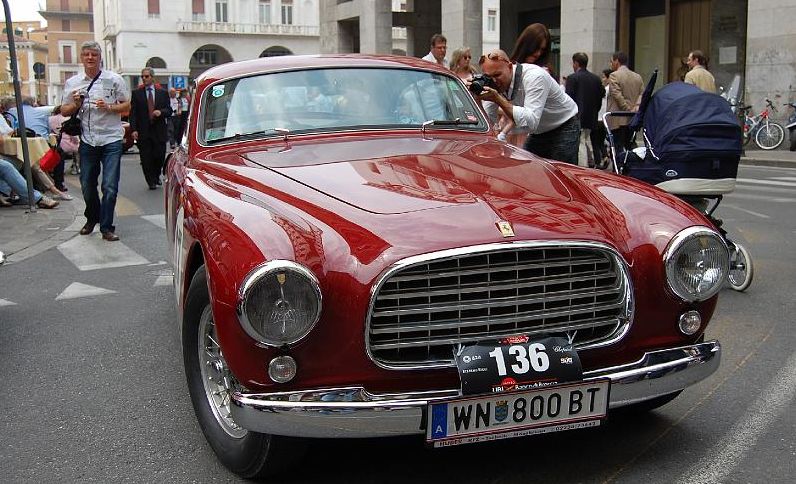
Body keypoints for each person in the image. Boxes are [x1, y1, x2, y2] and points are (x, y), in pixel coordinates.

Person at [60, 40, 130, 242]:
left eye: (94, 55)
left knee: (109, 186)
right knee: (87, 185)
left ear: (100, 58)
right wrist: (76, 103)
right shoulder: (73, 83)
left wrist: (109, 108)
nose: (90, 58)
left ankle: (106, 227)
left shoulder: (114, 79)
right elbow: (64, 110)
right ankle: (93, 217)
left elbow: (126, 107)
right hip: (88, 139)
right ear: (82, 58)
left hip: (111, 138)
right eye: (86, 55)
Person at [475, 49, 579, 164]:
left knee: (562, 173)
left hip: (564, 126)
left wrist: (498, 99)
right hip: (539, 131)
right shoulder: (496, 83)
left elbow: (531, 121)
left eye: (497, 75)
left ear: (510, 67)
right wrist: (476, 99)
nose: (494, 81)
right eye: (489, 77)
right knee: (529, 170)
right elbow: (488, 119)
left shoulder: (535, 76)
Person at [129, 67, 172, 190]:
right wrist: (134, 129)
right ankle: (150, 181)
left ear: (152, 77)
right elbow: (133, 113)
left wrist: (161, 112)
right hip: (144, 131)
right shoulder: (137, 94)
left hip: (159, 130)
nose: (144, 79)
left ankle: (157, 174)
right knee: (146, 158)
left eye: (146, 76)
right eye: (142, 76)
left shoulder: (162, 93)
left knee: (159, 156)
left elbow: (169, 110)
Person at [565, 52, 605, 168]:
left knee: (581, 142)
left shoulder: (572, 78)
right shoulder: (596, 79)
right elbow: (600, 98)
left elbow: (568, 100)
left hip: (577, 117)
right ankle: (592, 162)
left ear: (576, 63)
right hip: (591, 116)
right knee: (587, 140)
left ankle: (583, 167)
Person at [606, 51, 643, 150]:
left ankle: (620, 165)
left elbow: (617, 95)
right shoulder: (637, 77)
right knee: (631, 146)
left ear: (617, 61)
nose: (611, 64)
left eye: (611, 61)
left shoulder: (614, 76)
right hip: (632, 119)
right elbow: (642, 94)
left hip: (618, 119)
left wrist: (627, 109)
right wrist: (636, 107)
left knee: (617, 148)